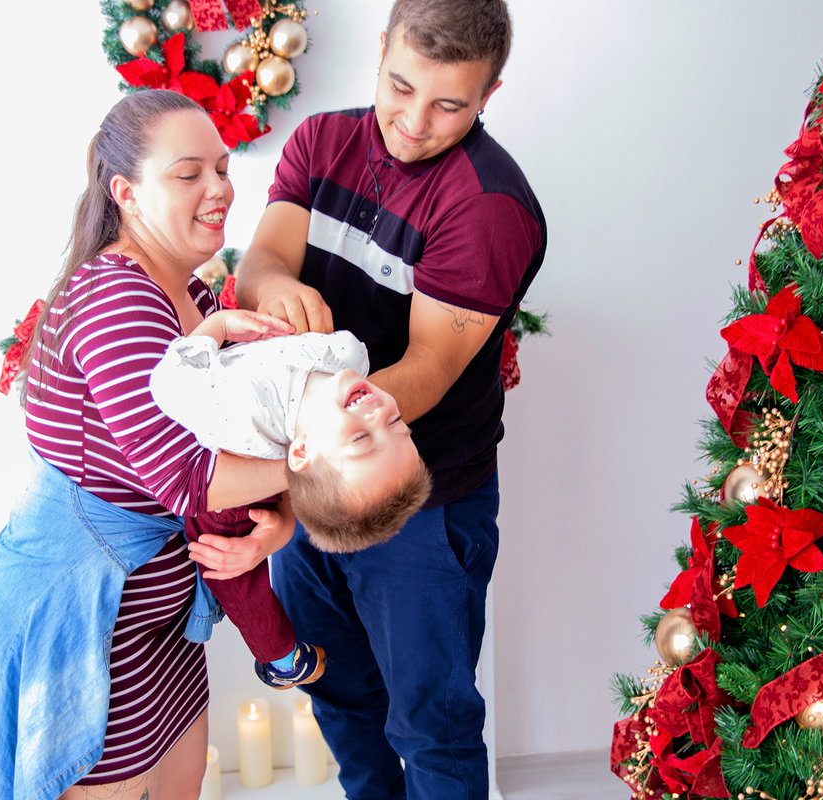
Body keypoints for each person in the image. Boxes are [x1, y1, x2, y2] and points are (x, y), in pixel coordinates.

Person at [0, 90, 298, 800]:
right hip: (85, 627)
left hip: (161, 632)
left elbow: (243, 453)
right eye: (189, 172)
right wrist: (317, 463)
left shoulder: (197, 300)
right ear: (126, 192)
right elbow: (192, 479)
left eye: (224, 169)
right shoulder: (118, 299)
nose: (220, 189)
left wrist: (278, 525)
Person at [234, 1, 546, 797]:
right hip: (314, 477)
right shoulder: (320, 141)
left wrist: (334, 414)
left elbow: (433, 364)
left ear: (490, 94)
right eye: (400, 86)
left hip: (426, 508)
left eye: (449, 105)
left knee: (430, 725)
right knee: (338, 690)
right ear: (380, 50)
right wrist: (272, 285)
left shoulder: (490, 207)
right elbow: (265, 254)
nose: (413, 121)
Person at [150, 326, 433, 552]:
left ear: (302, 452)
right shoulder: (350, 356)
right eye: (396, 422)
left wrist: (219, 326)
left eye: (360, 438)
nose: (379, 415)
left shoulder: (244, 417)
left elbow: (167, 384)